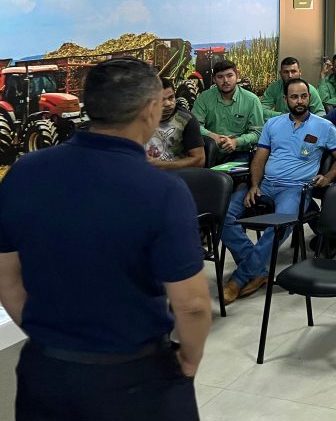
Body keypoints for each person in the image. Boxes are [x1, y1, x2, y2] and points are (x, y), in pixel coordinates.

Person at [0, 58, 210, 420]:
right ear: (150, 110)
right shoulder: (162, 191)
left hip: (45, 374)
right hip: (134, 380)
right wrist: (189, 361)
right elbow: (192, 305)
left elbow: (7, 279)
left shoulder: (24, 172)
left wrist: (50, 338)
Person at [221, 77, 336, 303]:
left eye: (304, 96)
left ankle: (239, 279)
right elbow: (260, 157)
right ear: (285, 99)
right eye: (294, 97)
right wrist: (254, 185)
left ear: (309, 97)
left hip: (296, 188)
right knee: (223, 216)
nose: (299, 101)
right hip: (265, 184)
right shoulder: (273, 124)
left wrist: (328, 177)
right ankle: (257, 271)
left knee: (279, 226)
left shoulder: (324, 126)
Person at [191, 59, 264, 164]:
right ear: (214, 79)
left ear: (237, 76)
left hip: (239, 152)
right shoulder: (204, 98)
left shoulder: (252, 100)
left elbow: (257, 132)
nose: (225, 80)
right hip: (209, 149)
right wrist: (211, 135)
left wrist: (236, 142)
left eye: (229, 75)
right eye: (220, 77)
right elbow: (194, 126)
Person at [146, 77, 205, 169]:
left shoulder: (186, 119)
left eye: (171, 98)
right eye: (161, 99)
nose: (168, 104)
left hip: (177, 173)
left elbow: (200, 160)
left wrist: (162, 165)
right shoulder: (137, 119)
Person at [261, 57, 326, 118]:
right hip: (281, 122)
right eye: (286, 72)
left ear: (300, 72)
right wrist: (281, 116)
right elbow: (261, 109)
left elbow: (320, 113)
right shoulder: (274, 88)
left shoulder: (310, 89)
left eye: (293, 71)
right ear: (280, 73)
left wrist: (309, 122)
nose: (290, 76)